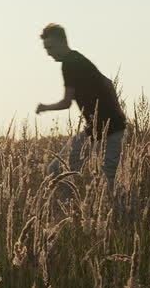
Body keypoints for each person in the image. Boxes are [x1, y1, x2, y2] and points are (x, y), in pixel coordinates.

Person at [36, 24, 127, 189]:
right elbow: (108, 83)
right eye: (46, 49)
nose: (48, 53)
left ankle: (118, 214)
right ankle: (75, 211)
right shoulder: (77, 59)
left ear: (62, 41)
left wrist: (44, 107)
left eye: (50, 47)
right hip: (95, 131)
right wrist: (118, 112)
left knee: (109, 184)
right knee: (56, 171)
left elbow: (66, 102)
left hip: (110, 131)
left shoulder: (70, 63)